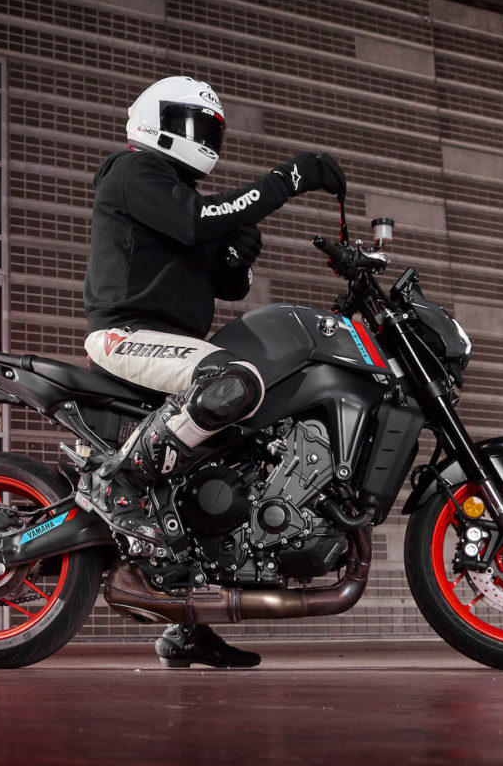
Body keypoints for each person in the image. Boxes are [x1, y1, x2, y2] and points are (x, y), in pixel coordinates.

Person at [78, 75, 345, 669]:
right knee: (235, 379)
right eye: (189, 124)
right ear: (154, 121)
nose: (200, 138)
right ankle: (116, 484)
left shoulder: (179, 197)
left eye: (209, 130)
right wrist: (288, 178)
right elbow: (201, 219)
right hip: (127, 335)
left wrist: (235, 257)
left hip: (171, 344)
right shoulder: (134, 172)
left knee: (226, 457)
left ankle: (188, 627)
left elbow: (224, 278)